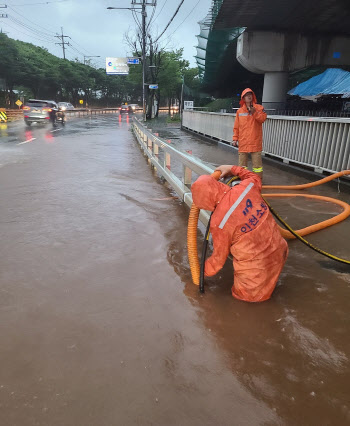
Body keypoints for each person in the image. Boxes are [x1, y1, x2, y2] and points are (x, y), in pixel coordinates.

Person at [191, 165, 288, 302]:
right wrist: (231, 168)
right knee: (272, 281)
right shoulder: (246, 187)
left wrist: (199, 272)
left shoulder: (220, 222)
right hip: (279, 250)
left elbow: (218, 260)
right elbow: (253, 176)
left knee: (246, 303)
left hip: (255, 271)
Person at [232, 88, 267, 180]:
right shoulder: (239, 111)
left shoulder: (259, 108)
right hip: (243, 141)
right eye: (246, 95)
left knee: (257, 167)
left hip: (255, 141)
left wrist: (254, 113)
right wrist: (235, 139)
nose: (249, 96)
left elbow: (262, 119)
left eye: (250, 94)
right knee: (242, 166)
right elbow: (236, 127)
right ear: (243, 98)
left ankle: (257, 182)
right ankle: (243, 182)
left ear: (253, 96)